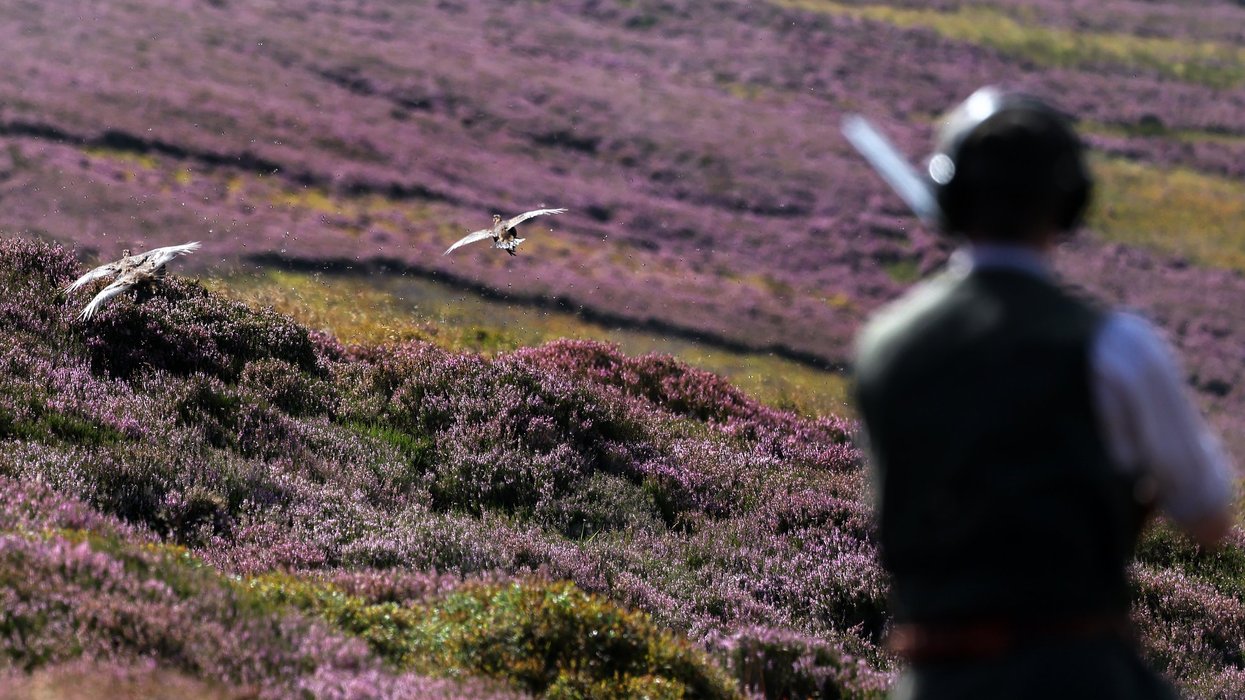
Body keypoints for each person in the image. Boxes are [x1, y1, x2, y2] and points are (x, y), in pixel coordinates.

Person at [851, 87, 1236, 699]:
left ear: (951, 199)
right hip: (1080, 679)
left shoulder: (882, 347)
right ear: (1070, 203)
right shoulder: (1119, 348)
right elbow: (1211, 518)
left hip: (932, 681)